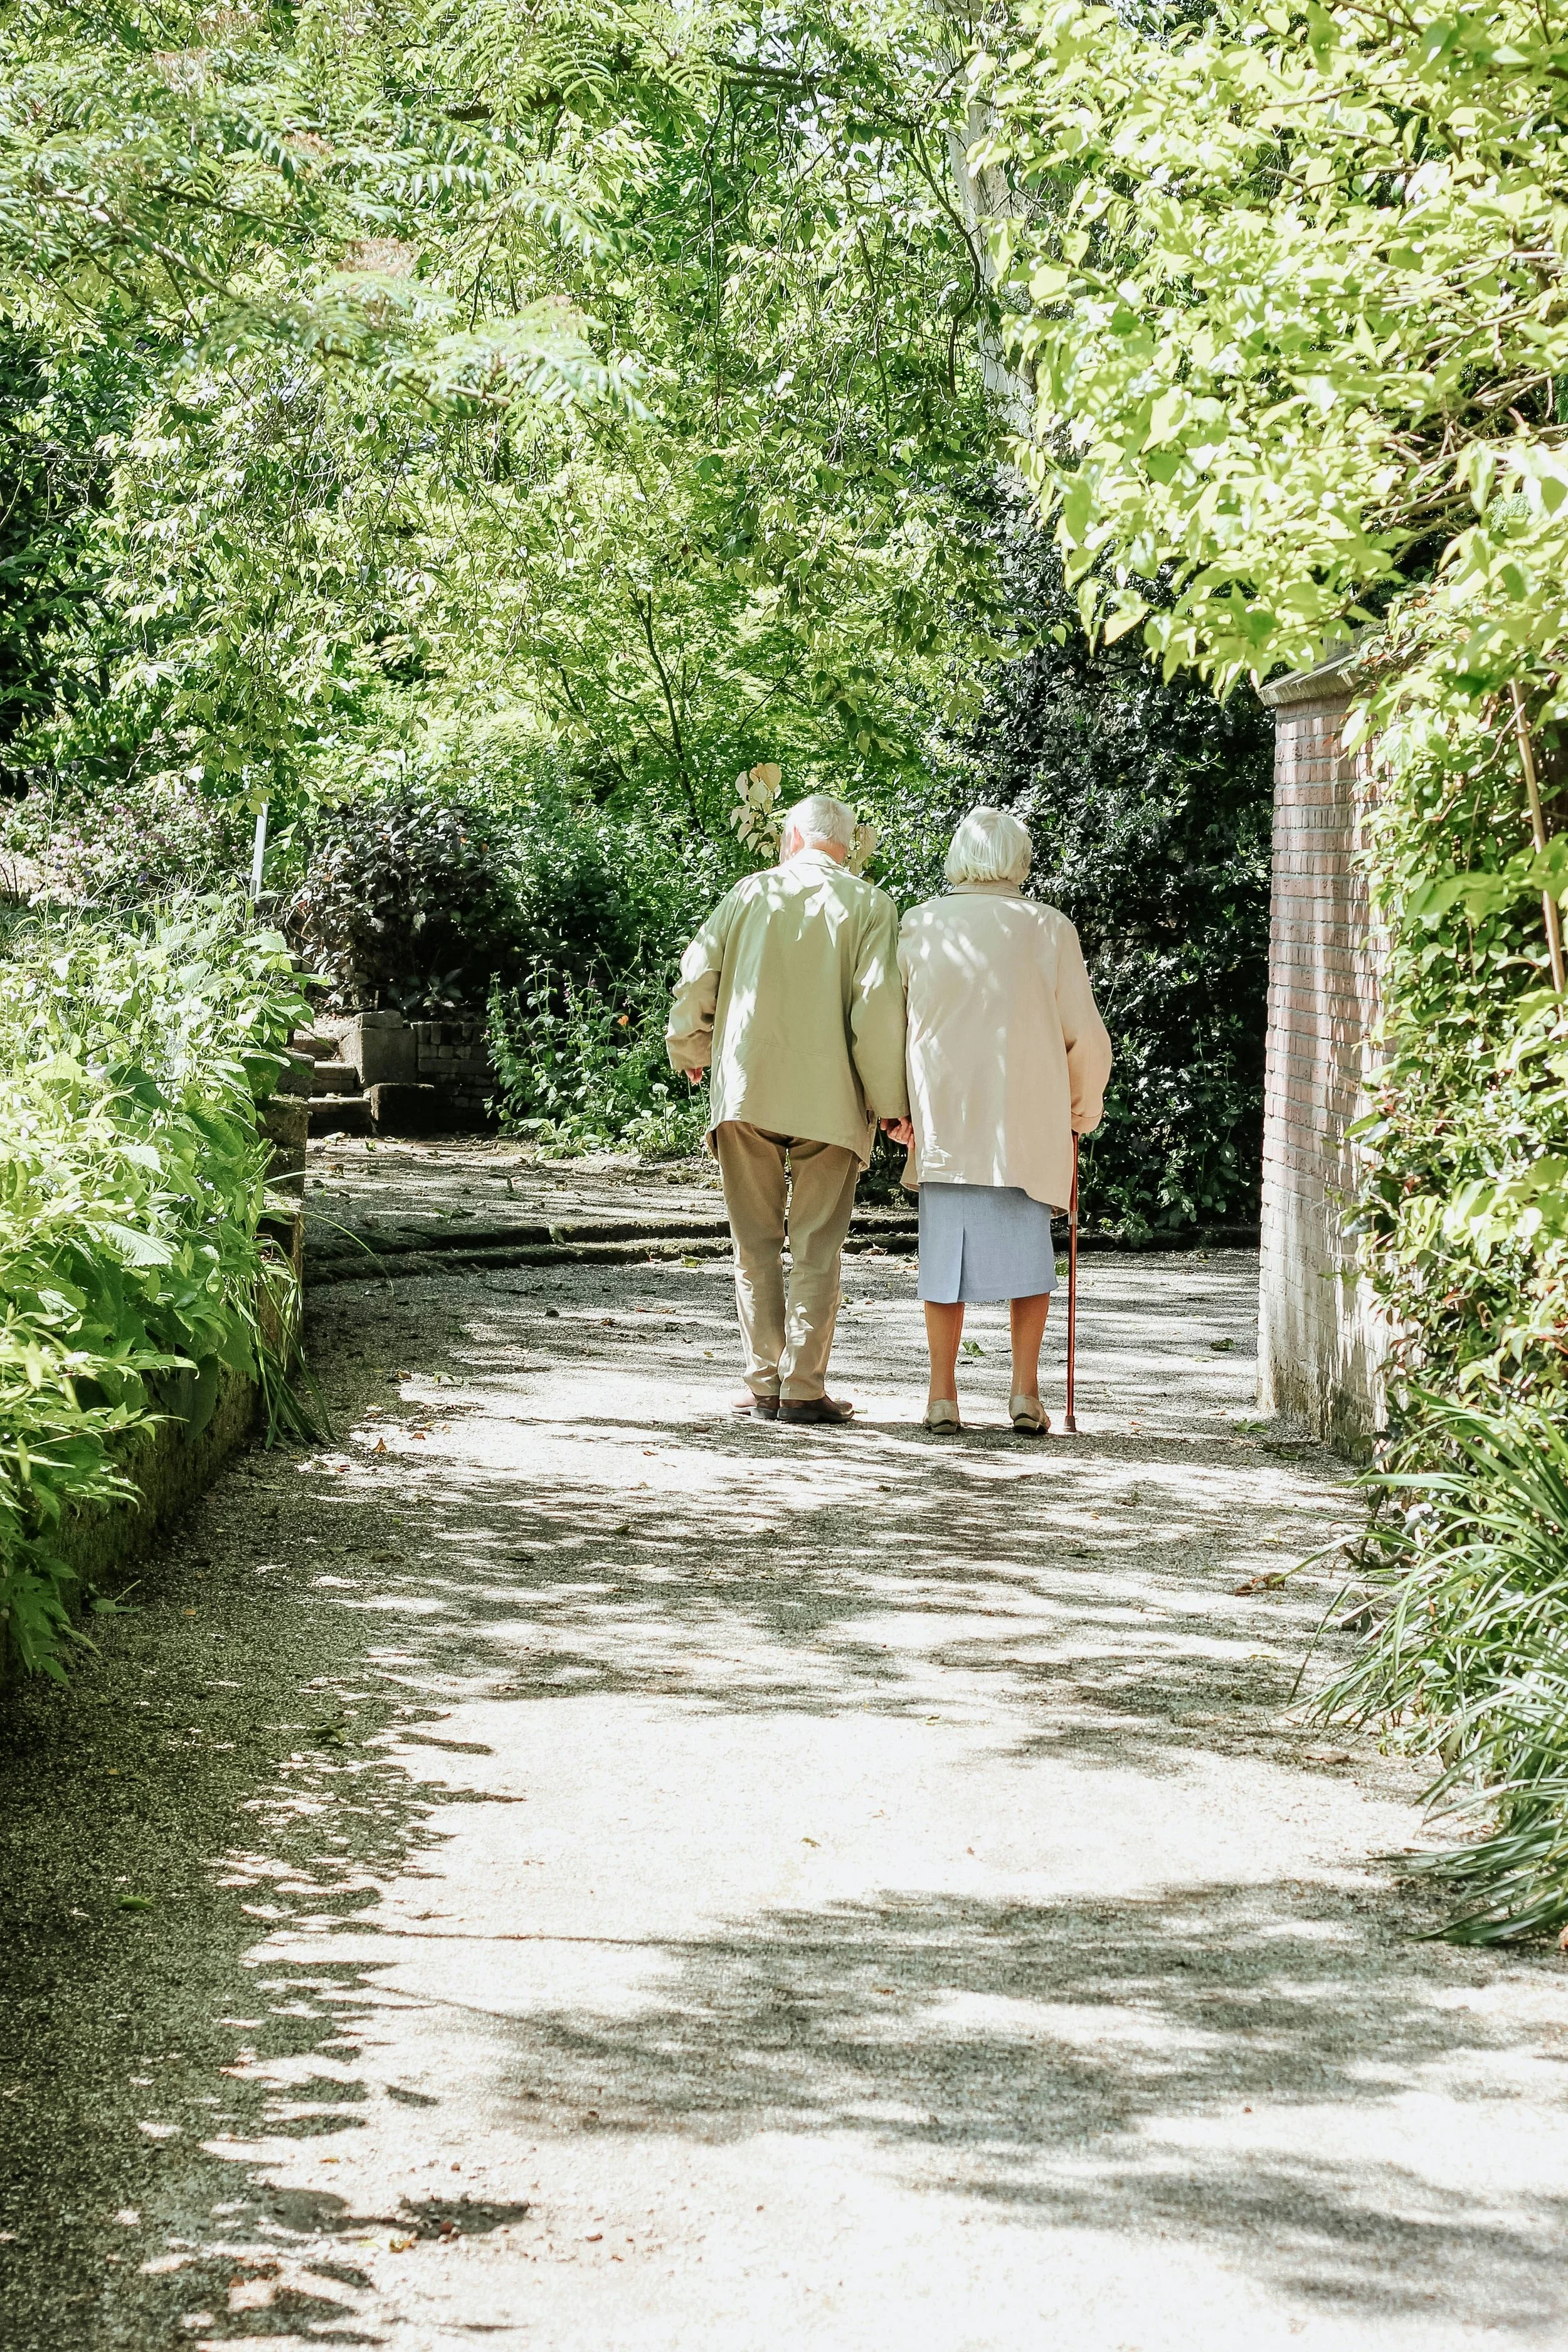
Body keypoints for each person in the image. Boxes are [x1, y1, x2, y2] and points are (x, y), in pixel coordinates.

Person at [666, 792, 908, 1426]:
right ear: (847, 846)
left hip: (748, 1088)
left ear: (791, 839)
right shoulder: (870, 905)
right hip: (831, 1098)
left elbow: (697, 977)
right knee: (816, 1247)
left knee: (753, 1243)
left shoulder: (748, 894)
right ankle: (802, 1388)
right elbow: (877, 1010)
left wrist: (689, 1045)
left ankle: (762, 1383)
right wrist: (890, 1104)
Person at [888, 805, 1111, 1435]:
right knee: (1029, 1263)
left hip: (947, 1117)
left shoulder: (920, 924)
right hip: (1026, 1120)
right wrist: (1081, 1107)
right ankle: (1023, 1393)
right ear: (1020, 860)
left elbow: (890, 1025)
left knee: (942, 1263)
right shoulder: (1048, 929)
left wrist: (894, 1108)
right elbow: (1084, 1035)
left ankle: (941, 1396)